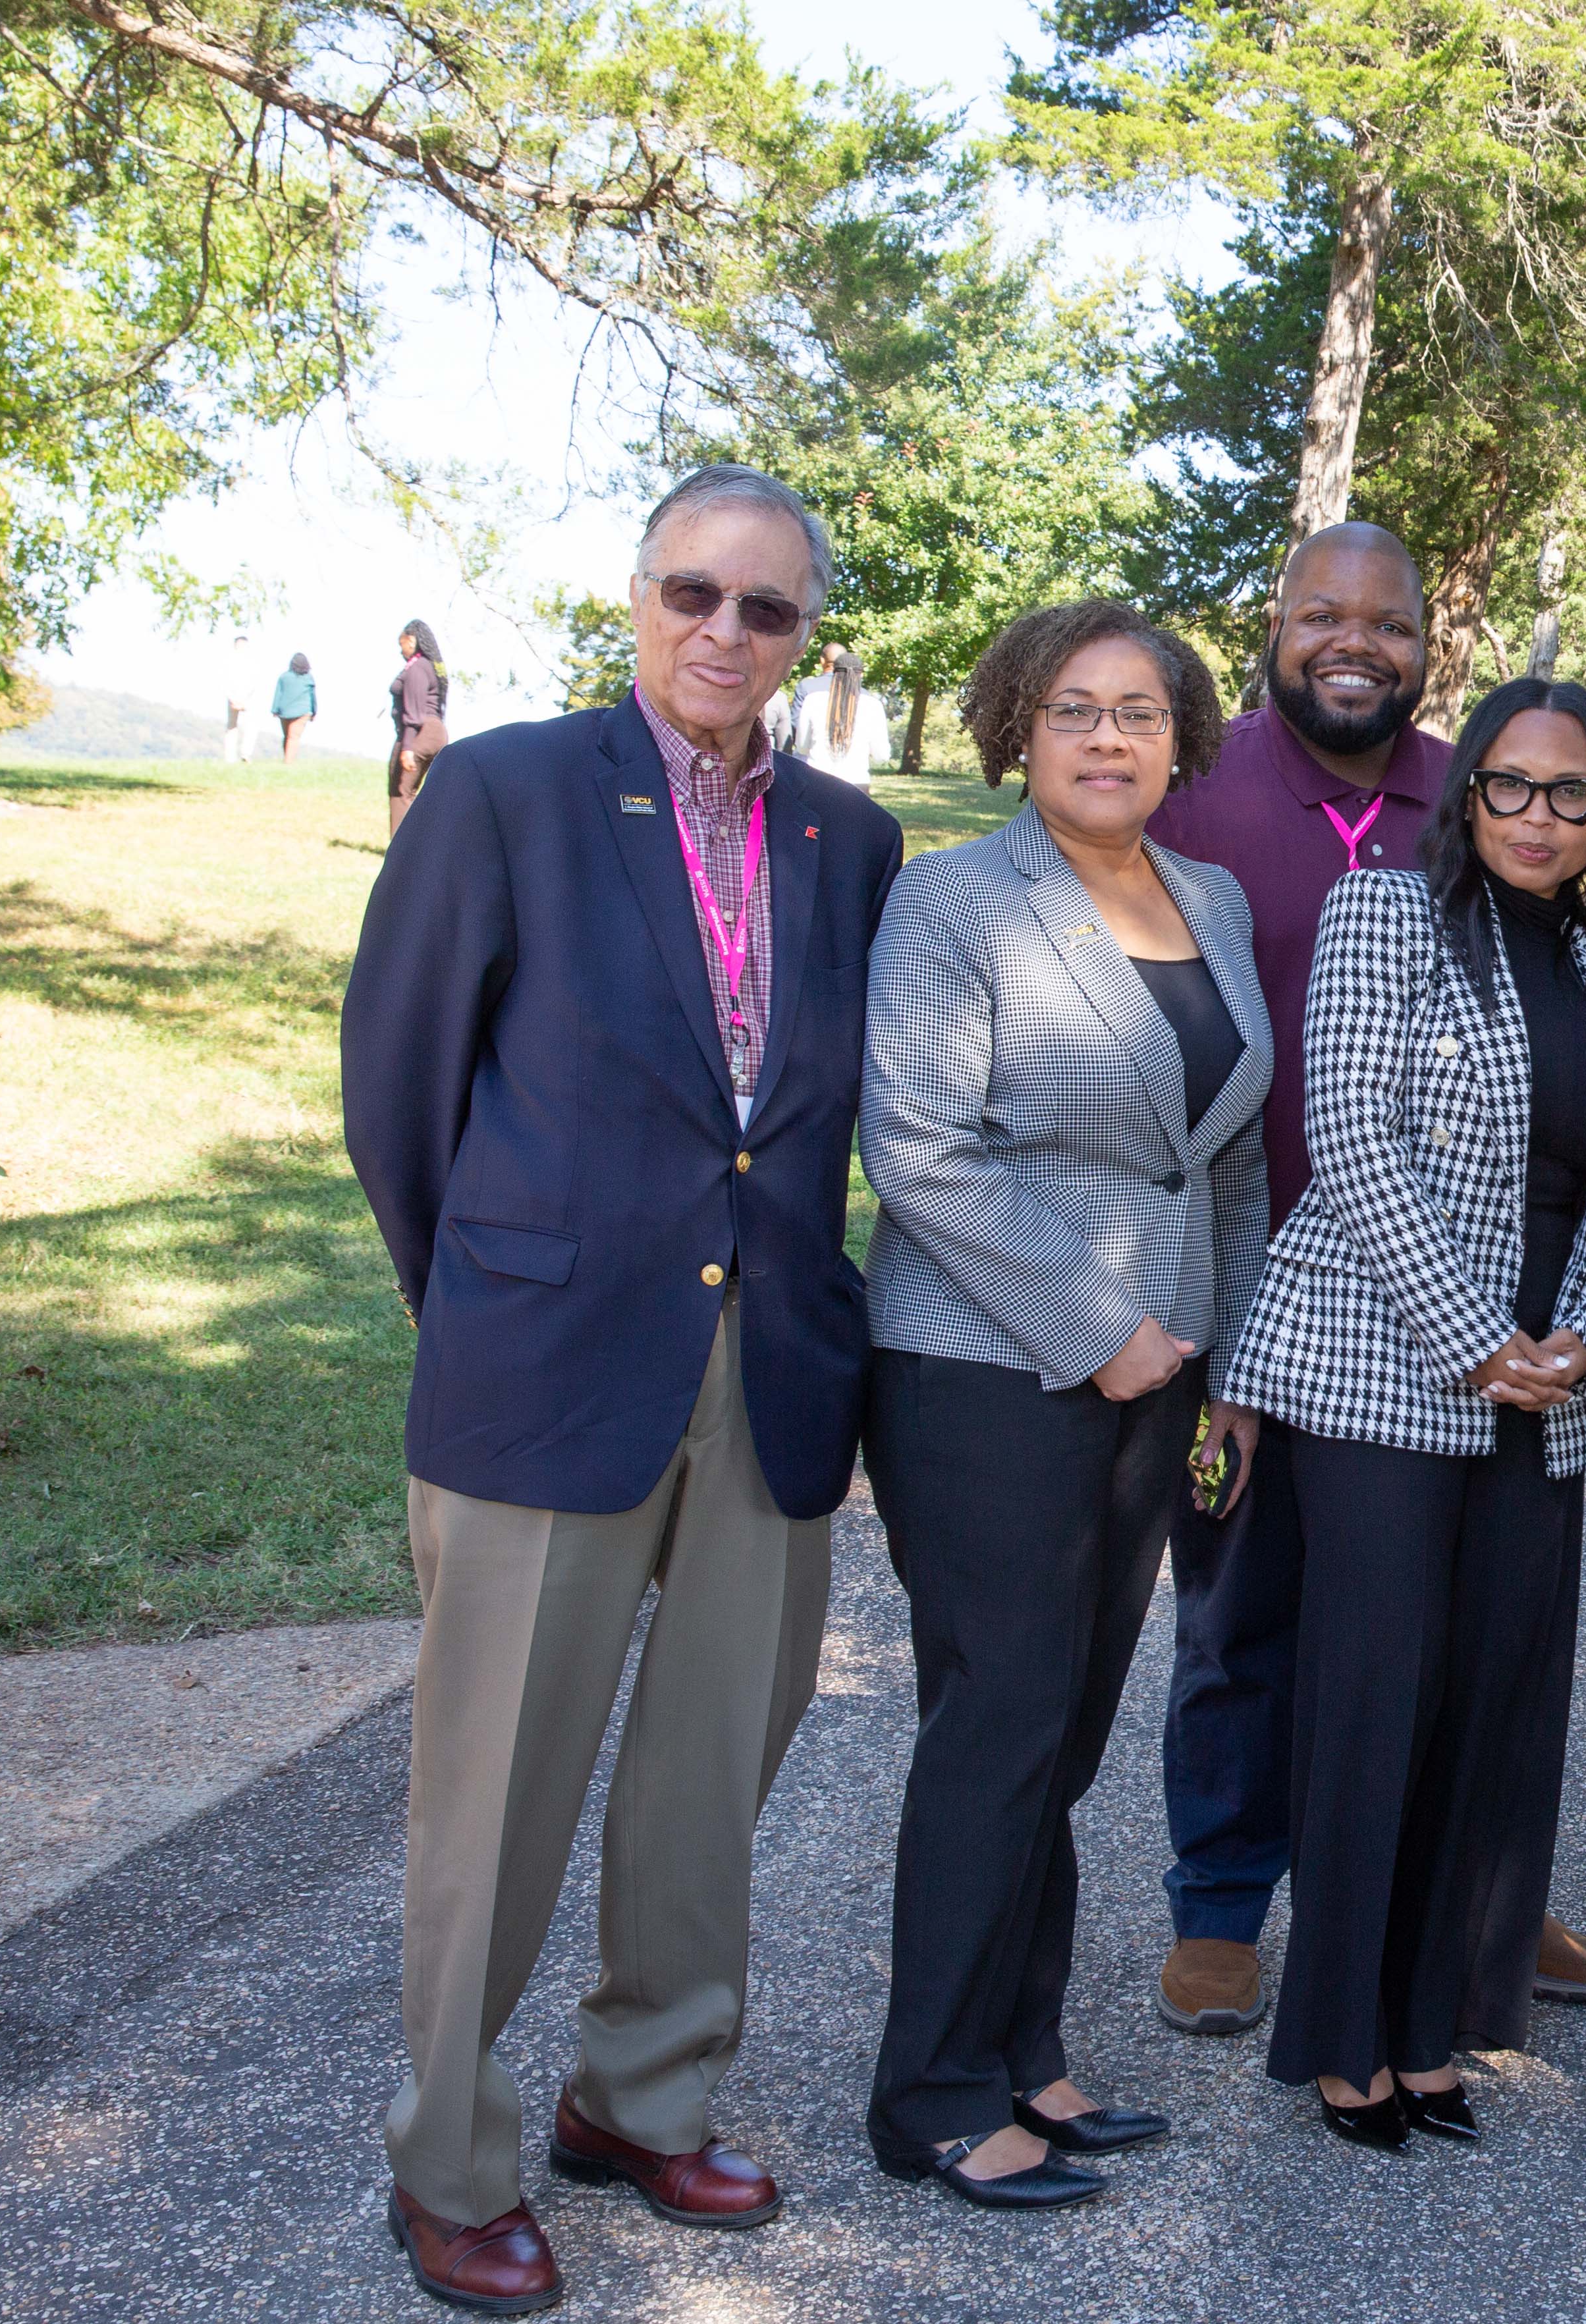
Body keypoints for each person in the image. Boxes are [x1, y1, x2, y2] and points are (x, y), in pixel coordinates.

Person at [340, 464, 902, 2314]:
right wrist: (491, 1296)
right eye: (692, 594)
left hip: (770, 1371)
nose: (723, 634)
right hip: (546, 1357)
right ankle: (451, 2157)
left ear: (805, 635)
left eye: (766, 610)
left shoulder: (849, 838)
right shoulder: (504, 791)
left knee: (704, 1776)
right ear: (635, 595)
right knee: (492, 1793)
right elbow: (402, 1086)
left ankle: (640, 2098)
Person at [1141, 522, 1586, 2037]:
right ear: (1274, 625)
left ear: (1433, 645)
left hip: (1443, 1288)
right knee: (1241, 1604)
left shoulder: (1477, 795)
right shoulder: (1199, 801)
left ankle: (1473, 1879)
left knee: (1449, 1619)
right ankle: (1223, 1896)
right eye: (1319, 615)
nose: (1354, 642)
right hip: (1244, 1276)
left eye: (1389, 623)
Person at [856, 599, 1267, 2209]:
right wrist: (1101, 1331)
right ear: (1015, 728)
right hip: (986, 1366)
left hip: (1161, 1376)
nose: (1108, 737)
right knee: (1002, 1721)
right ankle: (935, 2092)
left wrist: (1221, 1367)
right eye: (1072, 708)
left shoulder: (1213, 897)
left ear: (1183, 740)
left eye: (1140, 712)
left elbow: (1222, 1154)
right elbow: (920, 1147)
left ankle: (1024, 2049)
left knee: (1068, 1730)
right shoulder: (956, 897)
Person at [1219, 677, 1586, 2150]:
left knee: (1492, 1709)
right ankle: (1346, 2033)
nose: (1540, 817)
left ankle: (1432, 2020)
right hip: (1382, 1367)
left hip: (1545, 1390)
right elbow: (1345, 1131)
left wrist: (1581, 1341)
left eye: (1571, 791)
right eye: (1511, 786)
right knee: (1374, 1700)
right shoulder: (1381, 917)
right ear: (1466, 795)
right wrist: (1478, 1340)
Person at [389, 620, 451, 834]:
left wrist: (407, 748)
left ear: (412, 640)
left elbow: (414, 714)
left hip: (420, 734)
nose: (400, 650)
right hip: (436, 733)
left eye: (402, 644)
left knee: (401, 791)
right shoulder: (430, 667)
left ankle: (400, 854)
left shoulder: (417, 668)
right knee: (420, 794)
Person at [794, 643, 884, 787]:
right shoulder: (873, 705)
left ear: (834, 672)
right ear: (860, 675)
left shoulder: (813, 700)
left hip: (816, 781)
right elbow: (881, 756)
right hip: (857, 784)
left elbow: (802, 747)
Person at [274, 654, 317, 762]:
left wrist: (275, 710)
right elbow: (313, 696)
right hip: (303, 711)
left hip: (285, 711)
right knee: (293, 737)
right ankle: (288, 762)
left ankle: (287, 760)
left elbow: (278, 694)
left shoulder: (284, 677)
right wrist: (314, 712)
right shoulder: (309, 678)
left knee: (287, 736)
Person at [223, 634, 258, 763]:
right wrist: (233, 698)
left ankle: (245, 754)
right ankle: (233, 756)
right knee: (233, 727)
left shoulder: (250, 662)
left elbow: (254, 683)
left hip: (245, 698)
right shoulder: (230, 662)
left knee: (247, 727)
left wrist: (242, 700)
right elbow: (225, 682)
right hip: (237, 698)